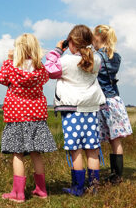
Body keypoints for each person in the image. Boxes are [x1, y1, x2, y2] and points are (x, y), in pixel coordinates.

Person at [45, 25, 106, 196]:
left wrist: (58, 50)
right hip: (91, 109)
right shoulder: (97, 60)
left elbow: (48, 70)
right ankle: (94, 187)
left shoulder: (64, 62)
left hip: (72, 111)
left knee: (76, 149)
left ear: (70, 41)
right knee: (92, 148)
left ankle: (78, 188)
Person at [0, 33, 57, 203]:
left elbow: (1, 78)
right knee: (36, 153)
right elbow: (45, 79)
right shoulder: (40, 70)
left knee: (17, 154)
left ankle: (18, 194)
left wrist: (8, 60)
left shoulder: (11, 67)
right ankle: (41, 189)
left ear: (18, 49)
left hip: (16, 116)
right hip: (36, 115)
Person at [93, 25, 132, 184]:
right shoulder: (117, 57)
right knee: (115, 140)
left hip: (101, 101)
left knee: (95, 140)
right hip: (115, 100)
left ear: (96, 38)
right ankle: (117, 175)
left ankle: (94, 174)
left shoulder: (96, 57)